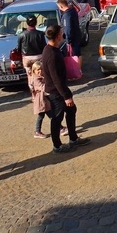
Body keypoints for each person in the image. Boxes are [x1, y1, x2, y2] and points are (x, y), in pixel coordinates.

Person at [41, 24, 89, 154]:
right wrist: (66, 96)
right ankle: (57, 146)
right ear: (57, 36)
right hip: (56, 92)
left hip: (59, 89)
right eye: (61, 33)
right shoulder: (51, 54)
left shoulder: (51, 50)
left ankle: (73, 138)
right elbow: (56, 78)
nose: (63, 34)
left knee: (71, 110)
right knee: (57, 118)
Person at [18, 16, 47, 87]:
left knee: (29, 75)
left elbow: (19, 48)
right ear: (36, 23)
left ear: (27, 23)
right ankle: (40, 89)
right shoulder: (40, 34)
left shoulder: (22, 34)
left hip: (27, 58)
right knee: (40, 74)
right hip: (38, 57)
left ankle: (32, 88)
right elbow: (44, 46)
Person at [56, 0, 82, 70]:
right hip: (76, 35)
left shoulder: (67, 15)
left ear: (61, 6)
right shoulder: (72, 10)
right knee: (78, 54)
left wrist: (68, 40)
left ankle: (76, 70)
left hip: (72, 39)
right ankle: (78, 70)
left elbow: (68, 28)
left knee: (75, 55)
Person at [29, 61, 51, 139]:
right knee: (43, 115)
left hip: (43, 99)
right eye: (38, 70)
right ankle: (37, 131)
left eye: (41, 69)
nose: (40, 71)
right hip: (40, 100)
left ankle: (60, 127)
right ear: (34, 70)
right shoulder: (36, 79)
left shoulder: (41, 77)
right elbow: (43, 87)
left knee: (47, 114)